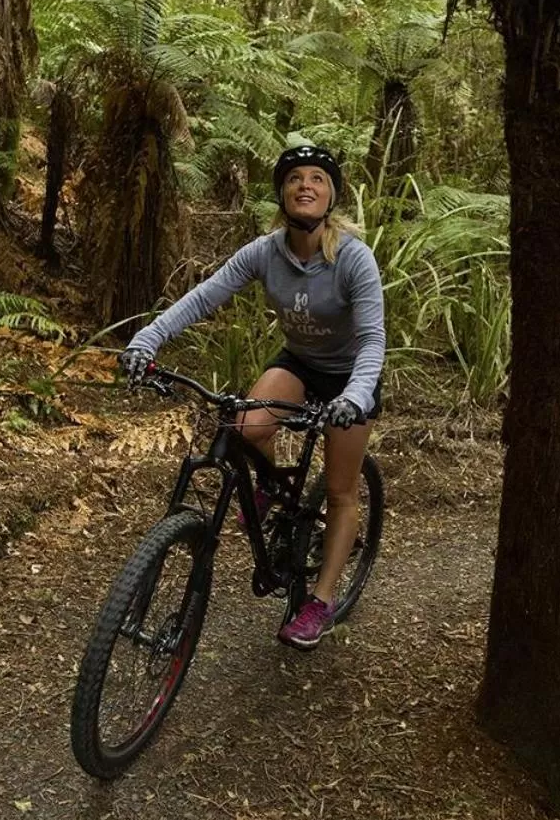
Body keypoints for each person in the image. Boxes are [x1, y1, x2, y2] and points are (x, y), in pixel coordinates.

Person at [118, 142, 385, 649]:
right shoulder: (266, 252)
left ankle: (320, 601)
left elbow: (373, 338)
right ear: (282, 194)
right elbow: (204, 296)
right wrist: (146, 340)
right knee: (244, 426)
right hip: (301, 363)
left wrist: (355, 394)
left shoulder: (353, 258)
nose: (305, 185)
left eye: (317, 179)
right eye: (294, 179)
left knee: (339, 490)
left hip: (353, 376)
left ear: (332, 196)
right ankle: (270, 487)